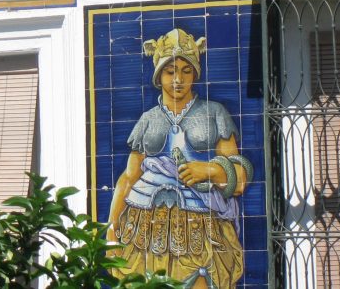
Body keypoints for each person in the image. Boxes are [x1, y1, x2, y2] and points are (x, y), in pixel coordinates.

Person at [106, 29, 252, 289]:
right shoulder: (148, 119)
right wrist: (112, 228)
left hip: (200, 226)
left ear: (195, 74)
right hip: (145, 229)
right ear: (159, 75)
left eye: (186, 71)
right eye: (170, 71)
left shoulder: (214, 112)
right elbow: (128, 178)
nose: (178, 79)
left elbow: (239, 178)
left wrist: (208, 170)